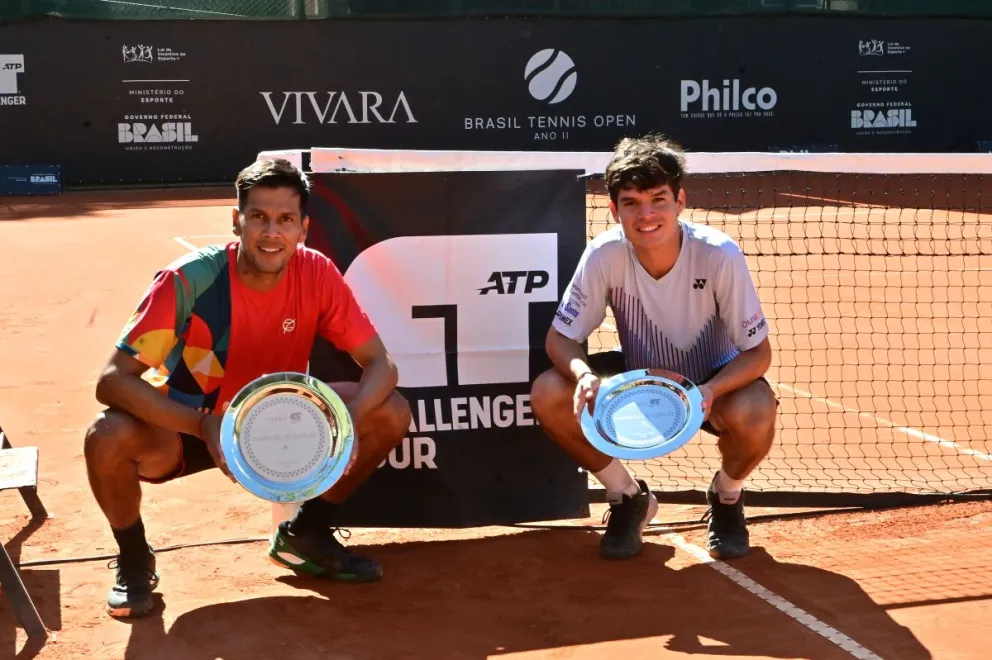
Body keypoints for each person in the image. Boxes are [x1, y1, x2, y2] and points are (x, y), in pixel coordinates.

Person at [83, 157, 412, 618]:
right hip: (190, 424)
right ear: (236, 221)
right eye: (258, 217)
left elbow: (381, 364)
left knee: (389, 410)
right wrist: (203, 424)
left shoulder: (316, 272)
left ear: (303, 228)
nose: (271, 232)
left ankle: (308, 533)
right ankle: (135, 558)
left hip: (278, 423)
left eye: (285, 220)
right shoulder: (189, 280)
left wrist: (348, 423)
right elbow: (113, 381)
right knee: (106, 436)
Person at [530, 134, 778, 561]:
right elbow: (561, 338)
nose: (646, 215)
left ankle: (726, 496)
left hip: (710, 385)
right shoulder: (604, 254)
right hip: (642, 382)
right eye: (631, 203)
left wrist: (710, 391)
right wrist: (584, 374)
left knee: (756, 410)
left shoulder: (720, 255)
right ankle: (628, 497)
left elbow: (759, 354)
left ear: (680, 201)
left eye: (657, 199)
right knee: (550, 393)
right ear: (614, 209)